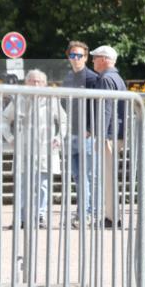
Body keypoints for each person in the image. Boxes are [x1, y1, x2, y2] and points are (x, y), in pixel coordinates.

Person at [0, 70, 67, 229]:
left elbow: (64, 121)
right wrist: (10, 137)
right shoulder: (19, 99)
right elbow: (4, 118)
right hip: (24, 148)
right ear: (26, 82)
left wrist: (59, 138)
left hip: (45, 148)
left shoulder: (52, 99)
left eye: (39, 81)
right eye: (32, 81)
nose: (36, 84)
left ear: (45, 84)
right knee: (23, 185)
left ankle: (40, 217)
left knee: (43, 186)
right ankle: (20, 218)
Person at [61, 41, 99, 227]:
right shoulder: (68, 78)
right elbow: (63, 104)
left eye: (79, 55)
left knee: (88, 175)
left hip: (87, 135)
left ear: (86, 57)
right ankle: (82, 212)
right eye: (73, 55)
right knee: (77, 176)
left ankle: (89, 213)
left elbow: (99, 105)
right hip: (71, 133)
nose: (76, 59)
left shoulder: (92, 78)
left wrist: (91, 129)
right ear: (68, 57)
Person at [89, 45, 127, 228]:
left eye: (95, 57)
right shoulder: (117, 77)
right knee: (110, 176)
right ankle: (112, 215)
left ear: (104, 59)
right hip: (116, 132)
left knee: (108, 177)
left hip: (110, 134)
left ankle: (112, 217)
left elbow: (106, 109)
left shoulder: (105, 78)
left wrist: (101, 135)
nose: (92, 61)